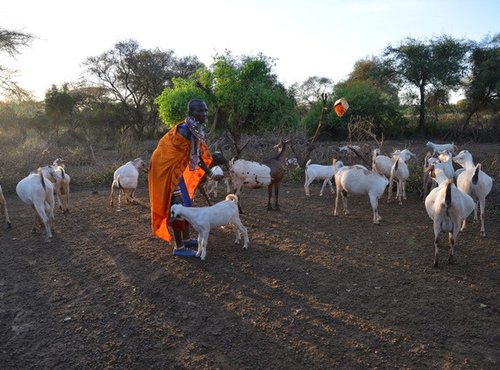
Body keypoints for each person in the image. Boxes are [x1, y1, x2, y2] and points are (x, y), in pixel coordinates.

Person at [149, 99, 213, 255]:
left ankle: (185, 238)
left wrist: (209, 172)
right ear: (191, 113)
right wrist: (208, 171)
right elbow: (186, 157)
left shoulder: (194, 130)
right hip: (165, 171)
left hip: (176, 169)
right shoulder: (185, 131)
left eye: (205, 110)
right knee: (177, 205)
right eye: (200, 111)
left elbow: (195, 156)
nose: (204, 114)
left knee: (186, 203)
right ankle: (179, 247)